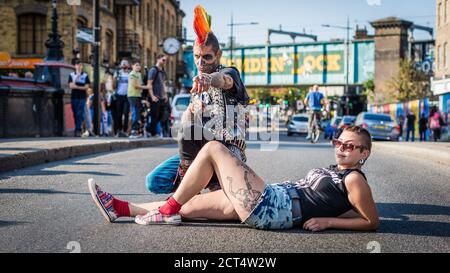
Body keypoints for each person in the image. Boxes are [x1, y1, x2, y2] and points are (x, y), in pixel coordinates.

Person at [88, 126, 380, 232]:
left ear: (363, 153)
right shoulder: (338, 173)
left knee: (214, 148)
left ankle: (166, 211)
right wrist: (330, 212)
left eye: (350, 146)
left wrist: (328, 222)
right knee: (188, 205)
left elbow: (371, 222)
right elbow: (345, 206)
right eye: (339, 143)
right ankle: (119, 208)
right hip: (271, 201)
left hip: (274, 206)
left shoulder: (354, 179)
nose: (341, 148)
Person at [144, 6, 249, 195]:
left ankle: (191, 191)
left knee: (188, 131)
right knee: (154, 181)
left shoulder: (229, 72)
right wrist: (190, 113)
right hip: (200, 152)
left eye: (207, 57)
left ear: (218, 55)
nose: (201, 63)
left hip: (226, 150)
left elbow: (225, 81)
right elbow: (187, 125)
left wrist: (209, 79)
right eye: (197, 57)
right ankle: (199, 182)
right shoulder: (196, 86)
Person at [146, 55, 169, 138]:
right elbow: (149, 84)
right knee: (154, 115)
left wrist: (165, 95)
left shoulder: (163, 71)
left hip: (162, 97)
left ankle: (149, 129)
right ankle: (152, 132)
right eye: (163, 60)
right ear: (158, 59)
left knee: (162, 115)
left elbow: (163, 84)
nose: (164, 62)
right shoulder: (153, 70)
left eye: (165, 60)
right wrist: (152, 96)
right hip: (155, 97)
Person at [128, 61, 151, 139]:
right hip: (132, 95)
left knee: (138, 113)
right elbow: (135, 86)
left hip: (138, 95)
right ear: (132, 66)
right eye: (136, 65)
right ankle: (133, 131)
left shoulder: (139, 74)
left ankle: (137, 130)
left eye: (139, 65)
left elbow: (141, 85)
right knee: (135, 111)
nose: (138, 67)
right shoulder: (132, 74)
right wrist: (147, 87)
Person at [69, 59, 90, 137]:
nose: (79, 66)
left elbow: (86, 87)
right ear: (75, 66)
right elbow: (71, 86)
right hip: (74, 97)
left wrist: (76, 86)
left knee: (79, 113)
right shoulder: (71, 75)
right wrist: (77, 79)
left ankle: (78, 129)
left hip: (82, 97)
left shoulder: (85, 75)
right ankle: (77, 128)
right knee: (75, 114)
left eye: (80, 65)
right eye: (78, 65)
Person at [112, 60, 131, 138]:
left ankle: (125, 130)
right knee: (118, 114)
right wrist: (115, 78)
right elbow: (113, 85)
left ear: (128, 65)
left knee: (126, 113)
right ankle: (118, 130)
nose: (124, 66)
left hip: (127, 96)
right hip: (119, 95)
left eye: (125, 64)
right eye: (123, 64)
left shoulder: (130, 74)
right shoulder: (117, 73)